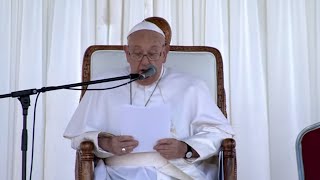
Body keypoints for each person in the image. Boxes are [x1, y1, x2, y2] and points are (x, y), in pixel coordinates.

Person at [64, 17, 234, 180]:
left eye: (153, 53)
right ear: (127, 53)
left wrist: (186, 148)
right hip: (117, 174)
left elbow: (220, 132)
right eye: (137, 54)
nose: (145, 62)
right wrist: (107, 144)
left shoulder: (192, 87)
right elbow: (78, 136)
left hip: (174, 173)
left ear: (164, 53)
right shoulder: (103, 85)